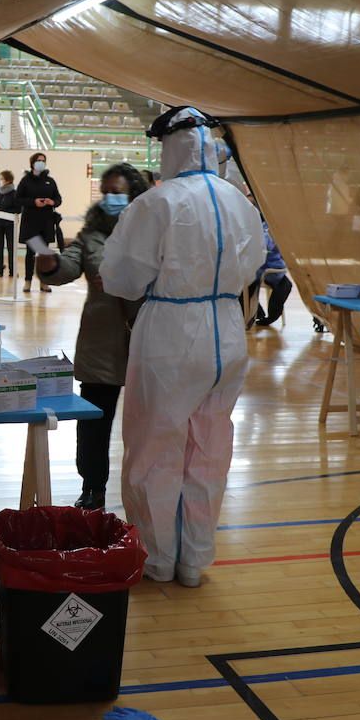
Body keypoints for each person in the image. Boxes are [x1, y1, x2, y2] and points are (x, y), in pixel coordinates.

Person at [99, 106, 264, 587]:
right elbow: (253, 263)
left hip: (171, 327)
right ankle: (194, 560)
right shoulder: (237, 200)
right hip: (227, 326)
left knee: (156, 444)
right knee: (210, 446)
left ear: (168, 146)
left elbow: (123, 278)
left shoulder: (158, 202)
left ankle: (157, 557)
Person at [35, 163, 149, 510]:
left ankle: (149, 492)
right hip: (102, 342)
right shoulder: (92, 234)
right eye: (108, 192)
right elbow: (68, 267)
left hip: (151, 340)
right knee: (94, 424)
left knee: (150, 427)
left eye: (120, 192)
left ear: (136, 195)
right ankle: (93, 489)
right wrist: (49, 264)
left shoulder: (156, 232)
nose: (112, 198)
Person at [16, 151, 61, 294]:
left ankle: (44, 282)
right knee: (30, 253)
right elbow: (18, 199)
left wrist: (52, 202)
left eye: (43, 160)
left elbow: (58, 199)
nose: (41, 162)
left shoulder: (50, 181)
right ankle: (28, 281)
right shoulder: (25, 181)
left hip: (46, 222)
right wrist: (33, 202)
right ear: (33, 163)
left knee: (44, 253)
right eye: (38, 160)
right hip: (30, 222)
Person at [248, 219, 292, 328]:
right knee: (245, 285)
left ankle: (268, 316)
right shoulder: (263, 227)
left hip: (273, 270)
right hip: (261, 269)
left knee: (286, 285)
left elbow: (267, 246)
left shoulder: (272, 228)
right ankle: (258, 313)